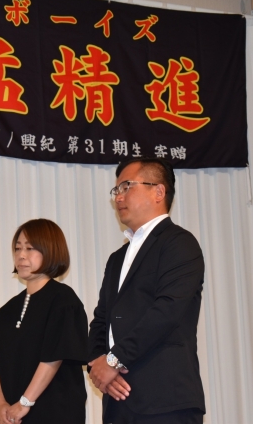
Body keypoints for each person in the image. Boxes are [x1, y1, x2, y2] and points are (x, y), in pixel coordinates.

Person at [88, 158, 206, 424]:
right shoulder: (117, 258)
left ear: (158, 192)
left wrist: (114, 360)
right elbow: (102, 318)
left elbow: (167, 311)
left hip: (164, 400)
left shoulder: (179, 243)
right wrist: (98, 363)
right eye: (116, 190)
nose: (118, 197)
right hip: (118, 402)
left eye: (126, 187)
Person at [0, 219, 88, 424]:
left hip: (56, 412)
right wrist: (1, 404)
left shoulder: (63, 300)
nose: (21, 255)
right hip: (15, 415)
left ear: (51, 251)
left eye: (30, 248)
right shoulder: (7, 310)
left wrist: (25, 402)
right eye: (18, 248)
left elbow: (54, 357)